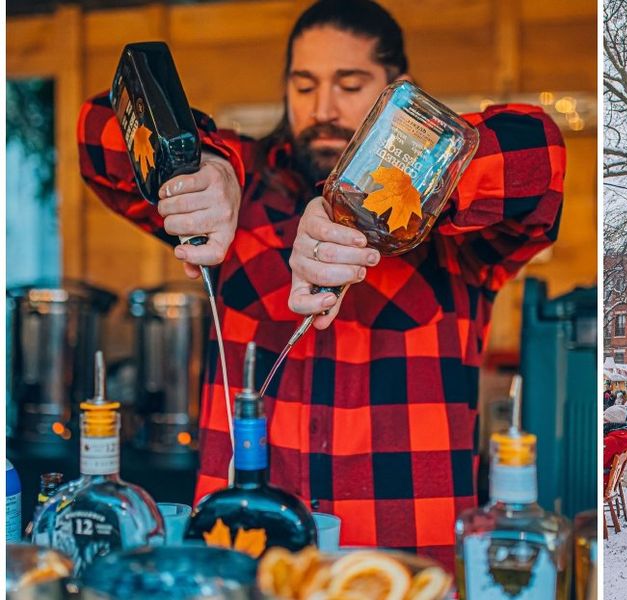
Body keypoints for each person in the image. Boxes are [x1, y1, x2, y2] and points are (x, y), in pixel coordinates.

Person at [77, 0, 563, 567]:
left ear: (395, 91)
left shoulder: (454, 232)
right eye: (304, 86)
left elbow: (540, 151)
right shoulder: (243, 189)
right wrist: (200, 163)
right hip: (244, 566)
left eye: (350, 85)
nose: (323, 108)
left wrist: (374, 190)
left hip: (402, 572)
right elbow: (96, 128)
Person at [603, 406, 627, 489]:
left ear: (612, 422)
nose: (602, 422)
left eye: (605, 420)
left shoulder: (611, 441)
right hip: (610, 480)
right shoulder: (623, 436)